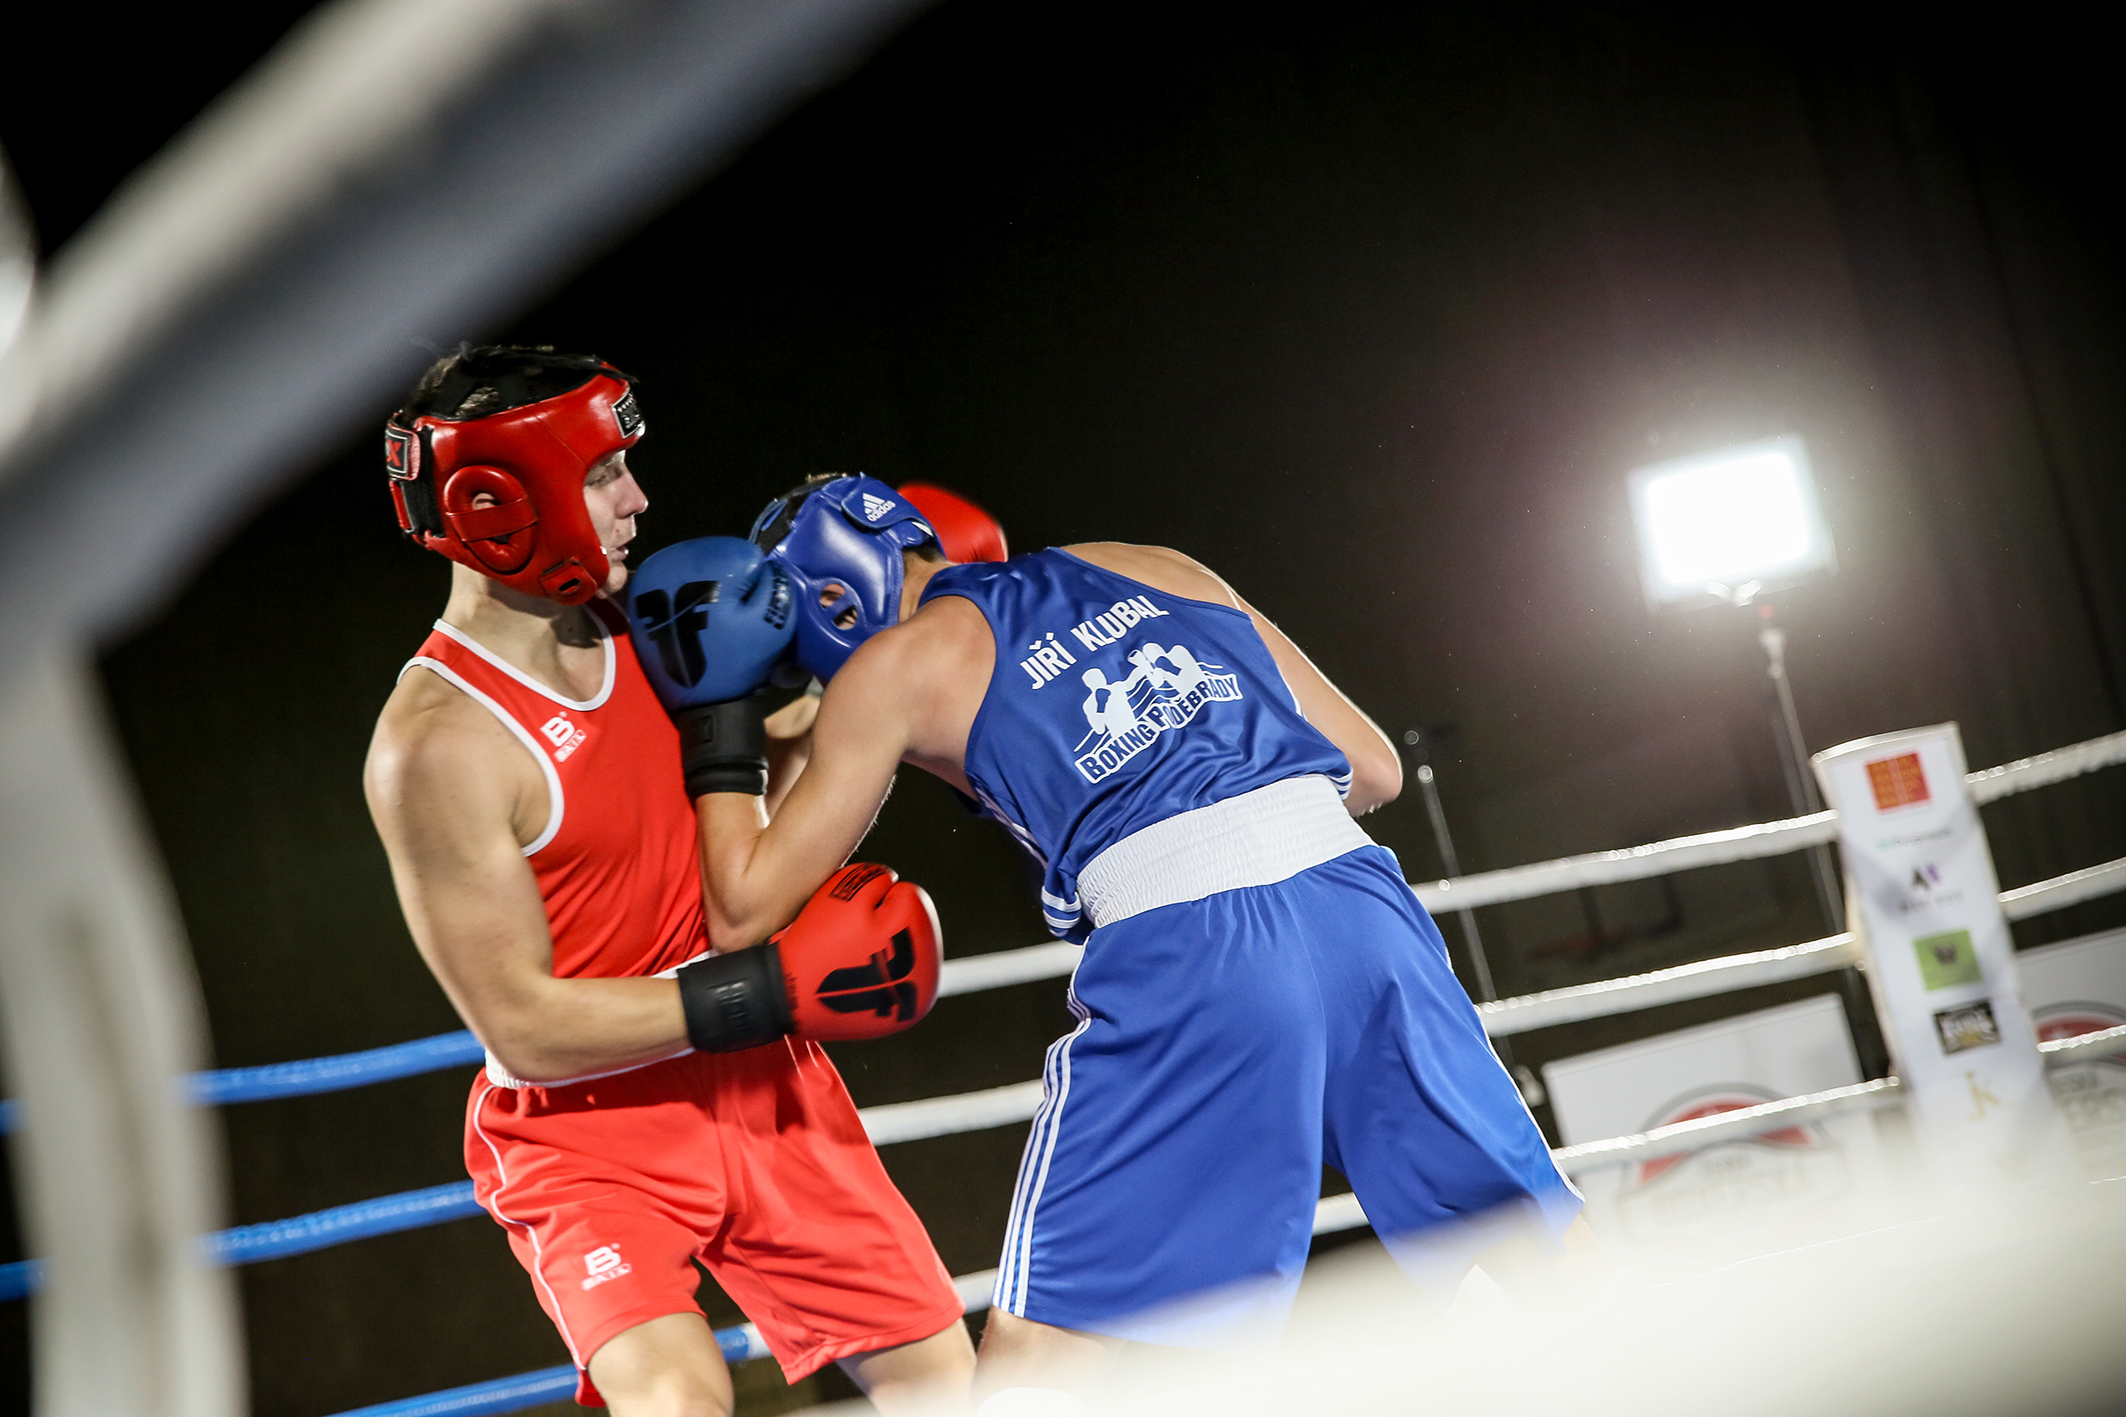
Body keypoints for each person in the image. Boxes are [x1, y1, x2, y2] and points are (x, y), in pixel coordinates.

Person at [667, 473, 1588, 1405]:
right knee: (1535, 1240)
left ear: (830, 599)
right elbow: (1373, 769)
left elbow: (743, 908)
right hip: (1365, 910)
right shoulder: (1155, 564)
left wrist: (721, 716)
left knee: (1040, 1354)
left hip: (1197, 955)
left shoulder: (893, 668)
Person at [362, 353, 973, 1416]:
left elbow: (774, 797)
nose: (637, 499)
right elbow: (524, 1028)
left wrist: (868, 641)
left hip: (764, 1090)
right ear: (502, 501)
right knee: (678, 1401)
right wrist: (767, 991)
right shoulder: (440, 744)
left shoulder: (666, 617)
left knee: (952, 1390)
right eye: (602, 474)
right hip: (590, 1133)